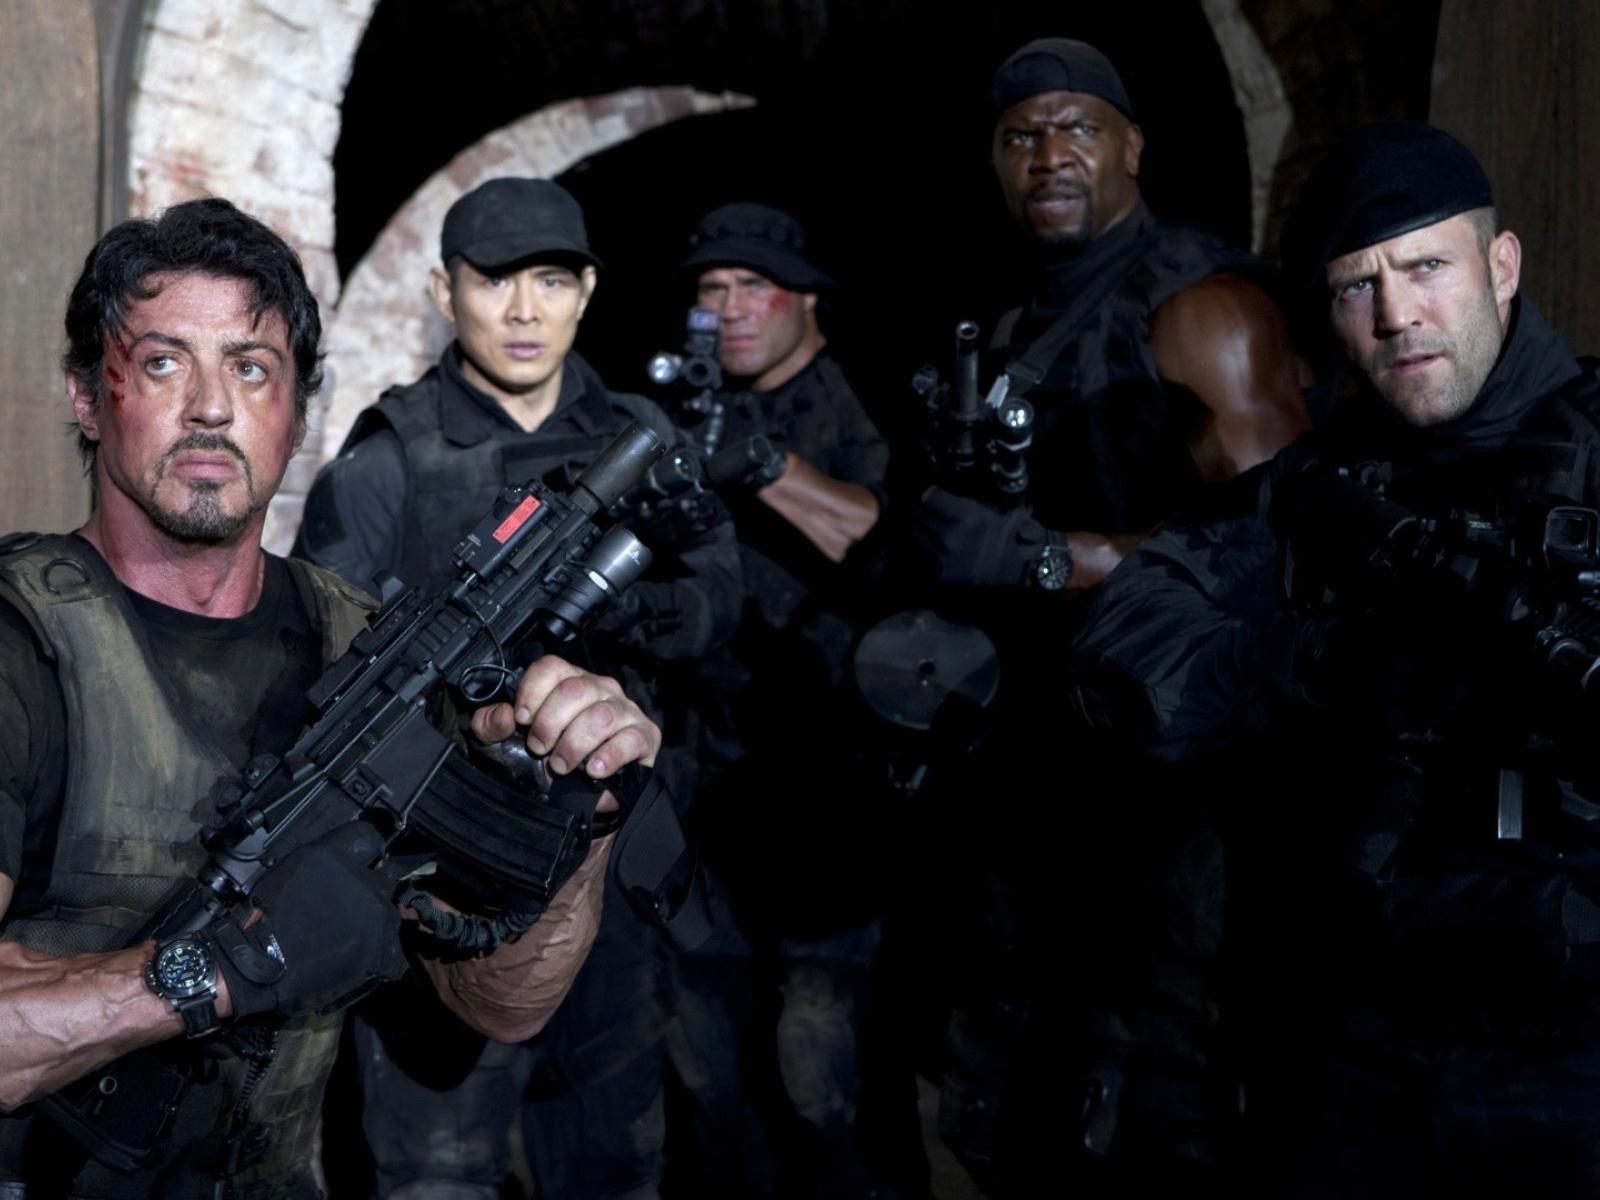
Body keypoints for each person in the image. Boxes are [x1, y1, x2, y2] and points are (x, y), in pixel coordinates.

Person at [0, 197, 661, 1198]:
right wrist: (227, 968)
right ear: (90, 398)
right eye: (165, 363)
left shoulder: (366, 645)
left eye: (251, 368)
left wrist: (583, 817)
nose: (211, 407)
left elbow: (500, 1006)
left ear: (300, 417)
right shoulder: (21, 644)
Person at [1074, 122, 1600, 1193]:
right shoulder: (1322, 490)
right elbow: (1125, 651)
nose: (1396, 315)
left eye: (1425, 267)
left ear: (1500, 266)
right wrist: (1330, 663)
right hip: (1360, 1047)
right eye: (1359, 285)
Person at [899, 36, 1311, 1193]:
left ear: (1131, 146)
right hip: (1028, 772)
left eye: (1076, 127)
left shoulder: (1201, 302)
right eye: (1020, 136)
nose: (1049, 155)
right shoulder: (1010, 327)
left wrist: (1043, 560)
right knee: (1003, 1100)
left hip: (1167, 791)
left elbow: (1284, 546)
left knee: (1151, 1108)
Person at [295, 177, 737, 1200]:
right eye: (494, 282)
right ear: (444, 293)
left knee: (613, 1162)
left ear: (588, 291)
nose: (525, 310)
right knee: (437, 1172)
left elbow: (722, 600)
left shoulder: (640, 436)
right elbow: (334, 672)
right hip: (453, 894)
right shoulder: (385, 461)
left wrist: (600, 621)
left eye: (552, 280)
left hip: (611, 876)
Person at [660, 202, 906, 1197]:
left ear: (804, 299)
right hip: (706, 766)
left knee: (819, 1060)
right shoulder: (696, 404)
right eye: (711, 290)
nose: (728, 308)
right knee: (704, 1056)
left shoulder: (857, 398)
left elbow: (880, 538)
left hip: (824, 771)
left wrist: (763, 465)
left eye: (750, 287)